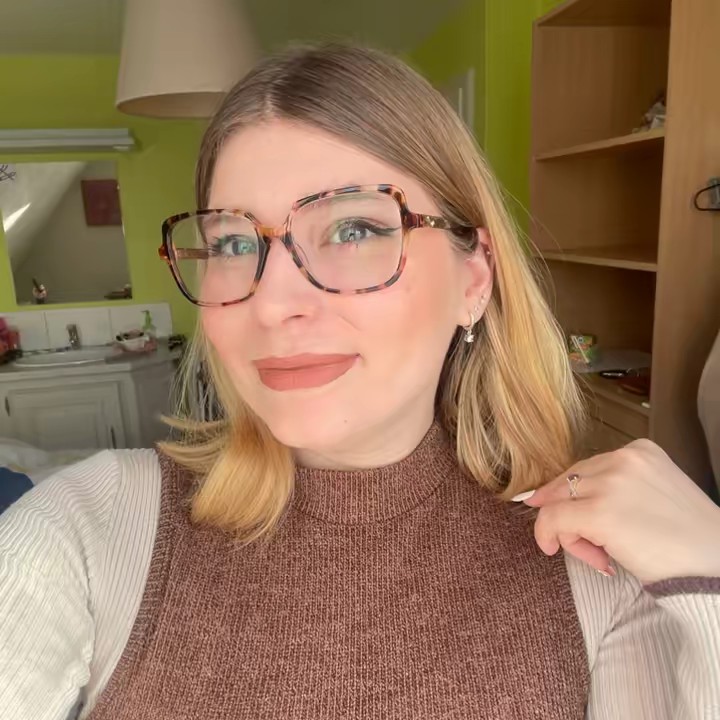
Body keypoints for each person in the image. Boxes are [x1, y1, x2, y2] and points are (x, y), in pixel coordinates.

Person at [0, 44, 718, 720]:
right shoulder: (87, 531)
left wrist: (711, 573)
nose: (272, 304)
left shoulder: (596, 571)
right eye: (234, 243)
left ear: (474, 278)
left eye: (353, 230)